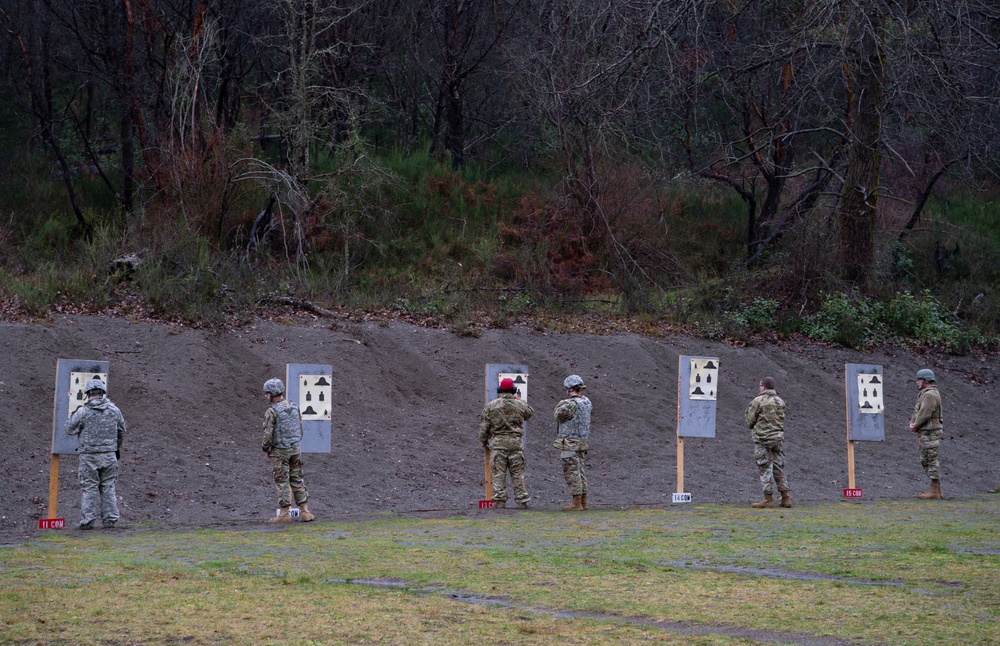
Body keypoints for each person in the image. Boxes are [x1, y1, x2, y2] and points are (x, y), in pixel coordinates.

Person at [65, 378, 126, 529]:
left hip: (89, 456)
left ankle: (88, 521)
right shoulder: (115, 410)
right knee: (108, 487)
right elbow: (122, 432)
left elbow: (69, 429)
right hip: (109, 455)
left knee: (89, 488)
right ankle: (110, 520)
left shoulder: (83, 412)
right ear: (102, 393)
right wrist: (115, 447)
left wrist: (73, 414)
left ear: (87, 394)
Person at [261, 378, 315, 523]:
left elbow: (268, 433)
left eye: (267, 393)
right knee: (297, 479)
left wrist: (266, 448)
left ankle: (284, 514)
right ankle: (305, 511)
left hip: (280, 451)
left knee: (282, 480)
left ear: (273, 393)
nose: (266, 396)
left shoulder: (272, 411)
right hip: (295, 448)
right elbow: (300, 428)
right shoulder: (294, 406)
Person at [479, 377, 534, 509]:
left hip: (498, 446)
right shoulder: (520, 404)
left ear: (499, 390)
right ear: (514, 390)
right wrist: (520, 401)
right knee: (517, 474)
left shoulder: (492, 406)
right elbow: (529, 413)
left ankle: (499, 501)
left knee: (498, 474)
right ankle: (522, 501)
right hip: (516, 446)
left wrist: (483, 440)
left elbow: (484, 427)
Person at [745, 376, 791, 508]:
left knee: (765, 468)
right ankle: (785, 497)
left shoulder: (758, 401)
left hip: (762, 439)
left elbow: (749, 420)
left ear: (763, 386)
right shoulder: (780, 401)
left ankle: (768, 499)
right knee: (778, 467)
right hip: (778, 439)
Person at [554, 374, 592, 511]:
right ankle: (583, 502)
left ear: (569, 389)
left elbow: (557, 415)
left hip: (570, 443)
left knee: (572, 472)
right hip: (582, 442)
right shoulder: (587, 403)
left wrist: (562, 403)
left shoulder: (569, 405)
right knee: (580, 471)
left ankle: (576, 503)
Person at [909, 368, 944, 500]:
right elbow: (919, 411)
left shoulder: (930, 395)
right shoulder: (926, 393)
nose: (917, 382)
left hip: (930, 432)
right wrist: (914, 423)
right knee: (927, 459)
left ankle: (934, 491)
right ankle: (936, 490)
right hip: (926, 431)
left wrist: (915, 424)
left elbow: (925, 413)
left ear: (927, 381)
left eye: (920, 380)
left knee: (930, 459)